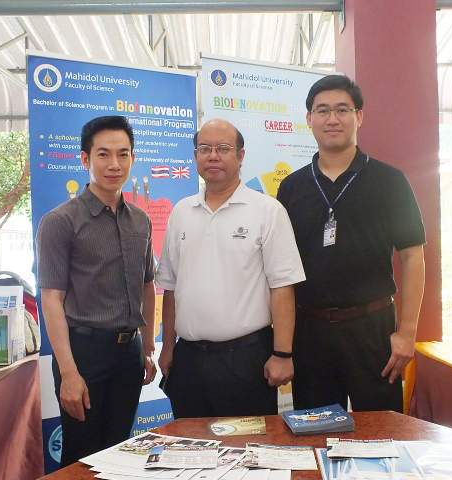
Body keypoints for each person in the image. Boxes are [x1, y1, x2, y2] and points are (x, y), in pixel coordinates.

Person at [277, 75, 426, 413]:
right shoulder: (291, 187)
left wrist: (406, 333)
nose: (332, 119)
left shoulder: (390, 181)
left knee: (383, 431)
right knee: (315, 431)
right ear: (309, 119)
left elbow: (413, 256)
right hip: (310, 332)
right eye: (322, 110)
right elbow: (280, 269)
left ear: (358, 116)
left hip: (373, 329)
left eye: (342, 109)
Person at [156, 118, 305, 418]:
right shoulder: (181, 211)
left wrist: (282, 354)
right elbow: (170, 287)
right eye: (204, 148)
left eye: (223, 148)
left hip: (247, 360)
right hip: (189, 360)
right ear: (195, 155)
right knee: (190, 442)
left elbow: (282, 287)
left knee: (247, 445)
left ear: (240, 155)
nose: (213, 156)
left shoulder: (267, 210)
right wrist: (168, 347)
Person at [36, 115, 157, 468]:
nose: (114, 164)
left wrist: (147, 347)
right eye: (103, 154)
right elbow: (52, 300)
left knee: (120, 452)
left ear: (133, 158)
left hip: (129, 353)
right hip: (83, 354)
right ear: (85, 159)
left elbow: (147, 285)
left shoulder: (141, 220)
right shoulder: (60, 221)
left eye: (123, 154)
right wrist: (68, 372)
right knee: (82, 457)